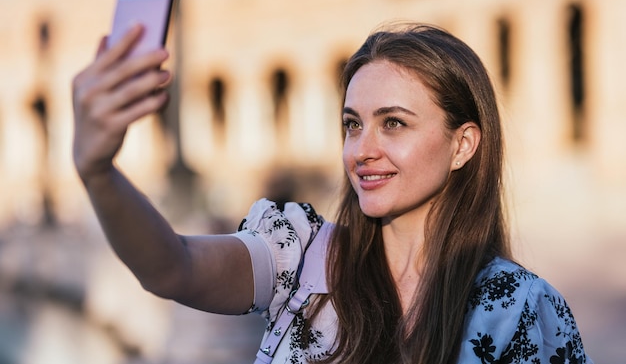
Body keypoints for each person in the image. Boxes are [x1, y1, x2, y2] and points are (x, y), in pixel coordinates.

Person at [72, 22, 593, 364]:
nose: (361, 149)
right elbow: (172, 266)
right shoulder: (299, 257)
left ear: (463, 145)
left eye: (393, 123)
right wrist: (99, 172)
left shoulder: (521, 308)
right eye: (351, 124)